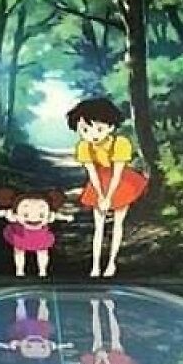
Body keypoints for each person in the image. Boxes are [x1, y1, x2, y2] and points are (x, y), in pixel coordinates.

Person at [67, 97, 148, 277]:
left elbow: (118, 173)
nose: (92, 134)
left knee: (118, 224)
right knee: (99, 226)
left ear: (111, 127)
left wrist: (109, 197)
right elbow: (92, 173)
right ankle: (95, 266)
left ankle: (111, 263)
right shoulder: (84, 147)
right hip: (99, 181)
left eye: (99, 129)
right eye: (85, 130)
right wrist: (100, 196)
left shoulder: (120, 144)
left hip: (122, 183)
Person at [0, 187, 73, 277]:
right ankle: (19, 270)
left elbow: (58, 216)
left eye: (41, 215)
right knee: (19, 252)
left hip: (40, 237)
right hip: (21, 236)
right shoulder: (13, 215)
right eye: (26, 215)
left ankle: (42, 271)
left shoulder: (50, 215)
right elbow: (3, 213)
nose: (33, 218)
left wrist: (66, 217)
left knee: (42, 252)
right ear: (16, 212)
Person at [0, 297, 73, 360]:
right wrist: (66, 345)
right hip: (41, 333)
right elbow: (57, 346)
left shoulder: (19, 345)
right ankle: (43, 302)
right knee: (43, 319)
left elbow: (6, 346)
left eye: (29, 347)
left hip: (24, 332)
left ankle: (21, 302)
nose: (36, 346)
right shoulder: (44, 346)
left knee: (21, 319)